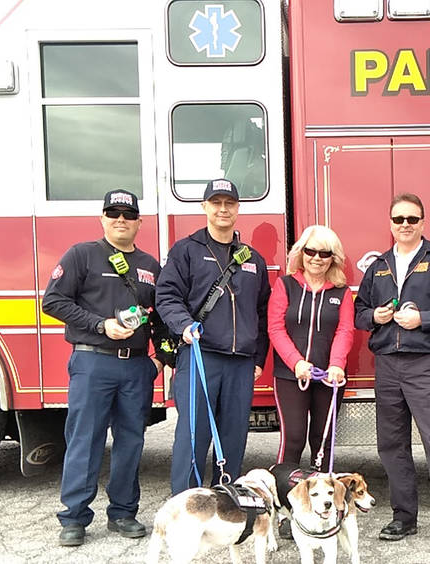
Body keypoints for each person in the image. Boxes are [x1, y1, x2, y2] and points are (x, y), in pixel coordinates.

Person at [42, 189, 170, 547]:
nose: (121, 220)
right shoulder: (83, 255)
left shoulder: (149, 266)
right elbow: (52, 301)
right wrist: (101, 326)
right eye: (113, 214)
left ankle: (124, 513)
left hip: (135, 369)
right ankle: (74, 518)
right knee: (86, 440)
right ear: (102, 218)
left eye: (128, 215)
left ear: (139, 223)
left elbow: (160, 317)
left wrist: (159, 360)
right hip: (92, 362)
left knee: (131, 441)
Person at [353, 193, 430, 559]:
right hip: (387, 363)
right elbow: (359, 312)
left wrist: (425, 319)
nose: (405, 224)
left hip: (424, 364)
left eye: (412, 219)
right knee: (391, 446)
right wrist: (376, 317)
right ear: (390, 224)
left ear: (423, 222)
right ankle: (404, 517)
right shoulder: (379, 266)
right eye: (399, 219)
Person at [155, 178, 270, 495]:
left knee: (233, 437)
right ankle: (186, 503)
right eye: (216, 203)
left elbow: (262, 312)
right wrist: (183, 325)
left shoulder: (252, 259)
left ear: (237, 209)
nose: (223, 209)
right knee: (194, 437)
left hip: (241, 364)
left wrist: (258, 358)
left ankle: (225, 501)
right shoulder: (186, 251)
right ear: (204, 207)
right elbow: (166, 297)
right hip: (199, 356)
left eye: (229, 203)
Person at [268, 224, 354, 537]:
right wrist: (297, 363)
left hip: (330, 379)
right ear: (300, 253)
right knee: (293, 441)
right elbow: (276, 328)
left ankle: (323, 511)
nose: (317, 258)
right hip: (290, 377)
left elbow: (345, 330)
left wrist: (335, 365)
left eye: (324, 253)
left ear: (334, 258)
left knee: (323, 442)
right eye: (311, 251)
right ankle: (284, 511)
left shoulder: (342, 292)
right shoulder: (285, 285)